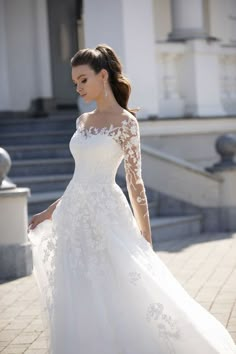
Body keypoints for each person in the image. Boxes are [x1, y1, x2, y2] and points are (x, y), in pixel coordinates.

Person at [28, 44, 236, 354]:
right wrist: (49, 211)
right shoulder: (82, 121)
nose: (79, 88)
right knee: (80, 293)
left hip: (107, 215)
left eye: (83, 79)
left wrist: (146, 236)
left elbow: (134, 181)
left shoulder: (126, 122)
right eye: (75, 83)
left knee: (123, 287)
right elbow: (80, 179)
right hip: (74, 218)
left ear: (103, 75)